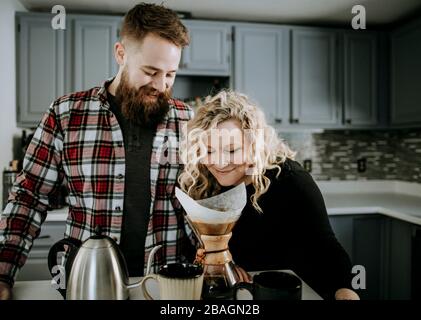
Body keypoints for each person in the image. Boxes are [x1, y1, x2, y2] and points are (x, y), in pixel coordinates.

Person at [0, 3, 197, 300]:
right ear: (121, 53)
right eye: (150, 71)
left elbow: (202, 205)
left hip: (166, 286)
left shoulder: (187, 121)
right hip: (86, 285)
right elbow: (29, 196)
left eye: (170, 74)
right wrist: (2, 271)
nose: (161, 85)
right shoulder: (67, 113)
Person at [177, 90, 360, 300]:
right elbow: (202, 250)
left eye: (232, 150)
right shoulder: (203, 180)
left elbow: (325, 248)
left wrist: (345, 290)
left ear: (255, 145)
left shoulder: (290, 180)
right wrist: (225, 266)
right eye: (209, 151)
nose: (219, 163)